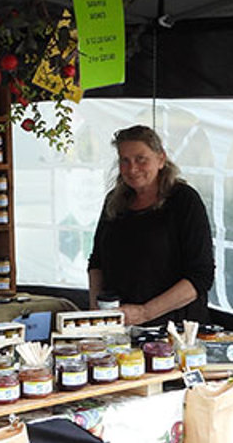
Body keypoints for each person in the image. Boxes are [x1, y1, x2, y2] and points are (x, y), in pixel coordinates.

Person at [86, 125, 214, 327]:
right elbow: (97, 262)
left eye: (141, 159)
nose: (132, 168)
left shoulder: (184, 201)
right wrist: (96, 310)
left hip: (174, 332)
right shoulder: (115, 201)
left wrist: (145, 313)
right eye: (124, 161)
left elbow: (200, 277)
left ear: (161, 159)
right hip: (118, 328)